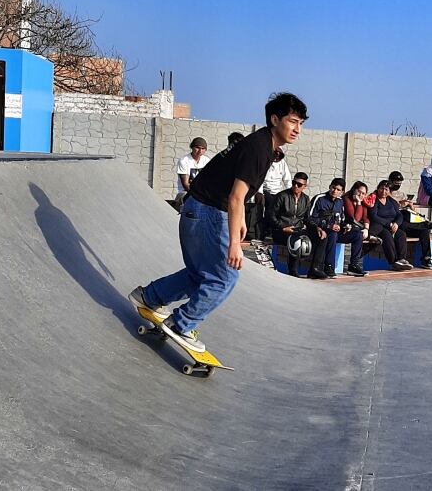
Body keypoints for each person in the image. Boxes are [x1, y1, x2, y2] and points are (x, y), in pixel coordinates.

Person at [128, 92, 308, 352]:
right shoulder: (259, 149)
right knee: (224, 278)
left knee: (201, 274)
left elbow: (238, 193)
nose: (297, 129)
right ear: (275, 119)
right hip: (208, 213)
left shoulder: (264, 146)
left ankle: (149, 297)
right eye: (293, 122)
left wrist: (241, 221)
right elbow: (236, 198)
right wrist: (235, 243)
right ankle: (181, 324)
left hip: (198, 209)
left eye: (301, 123)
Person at [306, 178, 364, 279]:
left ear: (342, 192)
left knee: (357, 234)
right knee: (332, 234)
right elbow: (310, 218)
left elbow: (341, 219)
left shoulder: (340, 202)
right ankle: (329, 268)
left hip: (336, 232)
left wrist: (346, 226)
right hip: (321, 231)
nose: (334, 191)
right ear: (330, 187)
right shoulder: (319, 198)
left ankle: (354, 266)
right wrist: (328, 225)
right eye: (333, 188)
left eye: (338, 190)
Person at [385, 170, 432, 268]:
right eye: (396, 183)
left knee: (424, 231)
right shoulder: (386, 193)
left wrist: (410, 205)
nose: (398, 185)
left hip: (408, 221)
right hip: (396, 221)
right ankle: (427, 223)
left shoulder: (401, 194)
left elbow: (413, 211)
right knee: (403, 217)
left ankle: (426, 259)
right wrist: (400, 204)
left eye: (399, 183)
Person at [267, 172, 311, 277]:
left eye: (299, 184)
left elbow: (307, 218)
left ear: (304, 186)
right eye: (294, 183)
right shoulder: (282, 196)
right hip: (280, 230)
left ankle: (315, 269)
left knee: (318, 237)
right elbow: (270, 215)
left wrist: (317, 228)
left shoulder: (306, 199)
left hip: (297, 229)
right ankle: (293, 270)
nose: (295, 186)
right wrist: (282, 227)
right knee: (296, 240)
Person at [368, 180, 413, 271]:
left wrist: (396, 224)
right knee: (387, 236)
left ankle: (401, 259)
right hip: (380, 226)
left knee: (401, 234)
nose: (383, 191)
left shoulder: (391, 201)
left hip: (393, 226)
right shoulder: (374, 199)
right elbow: (373, 216)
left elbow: (399, 215)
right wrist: (388, 224)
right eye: (382, 188)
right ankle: (393, 262)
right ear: (378, 188)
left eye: (386, 189)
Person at [260, 148, 292, 238]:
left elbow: (287, 179)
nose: (276, 157)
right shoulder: (264, 162)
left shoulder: (282, 163)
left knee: (278, 210)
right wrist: (259, 192)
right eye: (275, 154)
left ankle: (273, 230)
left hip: (278, 191)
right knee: (269, 208)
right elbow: (259, 178)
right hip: (265, 190)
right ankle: (266, 231)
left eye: (279, 155)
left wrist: (290, 193)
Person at [174, 137, 210, 210]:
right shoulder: (184, 161)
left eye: (203, 149)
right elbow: (185, 184)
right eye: (197, 148)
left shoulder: (206, 160)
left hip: (201, 193)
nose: (200, 151)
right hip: (185, 193)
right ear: (192, 147)